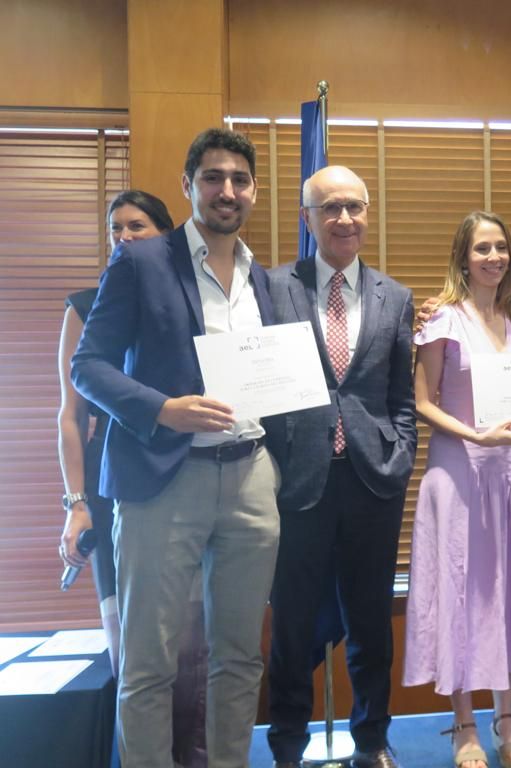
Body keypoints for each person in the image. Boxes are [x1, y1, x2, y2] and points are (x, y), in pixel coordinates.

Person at [71, 129, 281, 767]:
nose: (227, 191)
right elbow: (89, 366)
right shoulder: (140, 261)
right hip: (163, 479)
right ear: (188, 185)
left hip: (250, 478)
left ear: (253, 191)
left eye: (239, 180)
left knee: (241, 657)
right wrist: (162, 410)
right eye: (213, 178)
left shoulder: (264, 279)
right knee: (148, 664)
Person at [264, 165, 417, 768]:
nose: (345, 219)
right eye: (330, 208)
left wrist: (400, 452)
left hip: (371, 481)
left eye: (355, 206)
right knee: (293, 626)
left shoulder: (396, 296)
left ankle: (372, 741)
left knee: (371, 625)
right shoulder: (272, 288)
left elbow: (401, 394)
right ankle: (286, 748)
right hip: (296, 481)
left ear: (369, 213)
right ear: (308, 219)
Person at [403, 211, 511, 768]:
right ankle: (464, 723)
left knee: (510, 591)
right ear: (463, 258)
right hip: (460, 471)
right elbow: (422, 402)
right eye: (481, 249)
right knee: (462, 595)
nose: (493, 256)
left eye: (500, 246)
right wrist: (475, 433)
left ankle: (507, 716)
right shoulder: (442, 319)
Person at [58, 190, 209, 767]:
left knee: (191, 651)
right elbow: (71, 415)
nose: (124, 236)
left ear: (166, 236)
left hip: (187, 475)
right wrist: (75, 504)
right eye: (115, 227)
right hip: (113, 480)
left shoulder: (193, 301)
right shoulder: (83, 304)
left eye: (137, 226)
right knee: (130, 648)